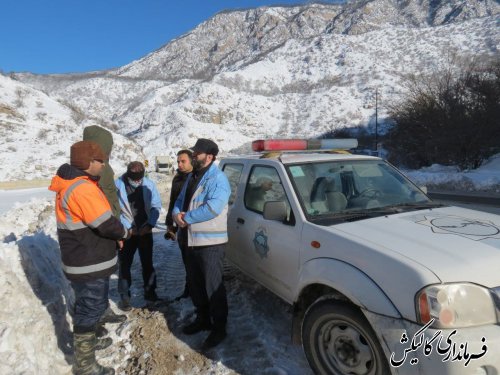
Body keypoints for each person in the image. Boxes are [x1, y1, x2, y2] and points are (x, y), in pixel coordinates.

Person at [49, 140, 130, 375]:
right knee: (90, 309)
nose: (103, 166)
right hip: (87, 261)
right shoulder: (81, 188)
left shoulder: (75, 184)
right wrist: (124, 232)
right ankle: (85, 365)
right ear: (88, 162)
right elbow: (104, 223)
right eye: (100, 161)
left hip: (85, 259)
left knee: (90, 304)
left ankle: (90, 345)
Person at [172, 138, 231, 350]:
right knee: (195, 283)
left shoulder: (218, 179)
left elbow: (214, 207)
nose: (194, 154)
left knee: (213, 286)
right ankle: (203, 318)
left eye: (198, 152)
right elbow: (180, 201)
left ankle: (219, 327)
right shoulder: (192, 177)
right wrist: (175, 214)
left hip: (210, 243)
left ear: (210, 156)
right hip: (190, 240)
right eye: (195, 151)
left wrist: (186, 218)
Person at [83, 125, 126, 333]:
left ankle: (103, 309)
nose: (110, 151)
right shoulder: (90, 169)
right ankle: (94, 320)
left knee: (105, 273)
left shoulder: (104, 167)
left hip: (107, 229)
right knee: (94, 278)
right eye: (107, 147)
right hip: (97, 231)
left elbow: (110, 198)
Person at [115, 161, 162, 310]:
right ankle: (125, 297)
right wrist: (127, 229)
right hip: (127, 232)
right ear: (128, 174)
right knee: (124, 265)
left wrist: (150, 224)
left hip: (145, 231)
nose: (137, 182)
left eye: (139, 179)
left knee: (147, 264)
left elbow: (156, 205)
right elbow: (115, 211)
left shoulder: (149, 184)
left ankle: (150, 295)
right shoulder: (117, 185)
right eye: (133, 179)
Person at [164, 149, 193, 300]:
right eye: (178, 161)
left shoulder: (196, 178)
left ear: (191, 161)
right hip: (181, 225)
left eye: (183, 161)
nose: (179, 164)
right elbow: (173, 202)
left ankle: (195, 289)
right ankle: (189, 289)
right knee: (186, 260)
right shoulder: (177, 178)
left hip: (195, 224)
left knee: (196, 261)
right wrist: (170, 223)